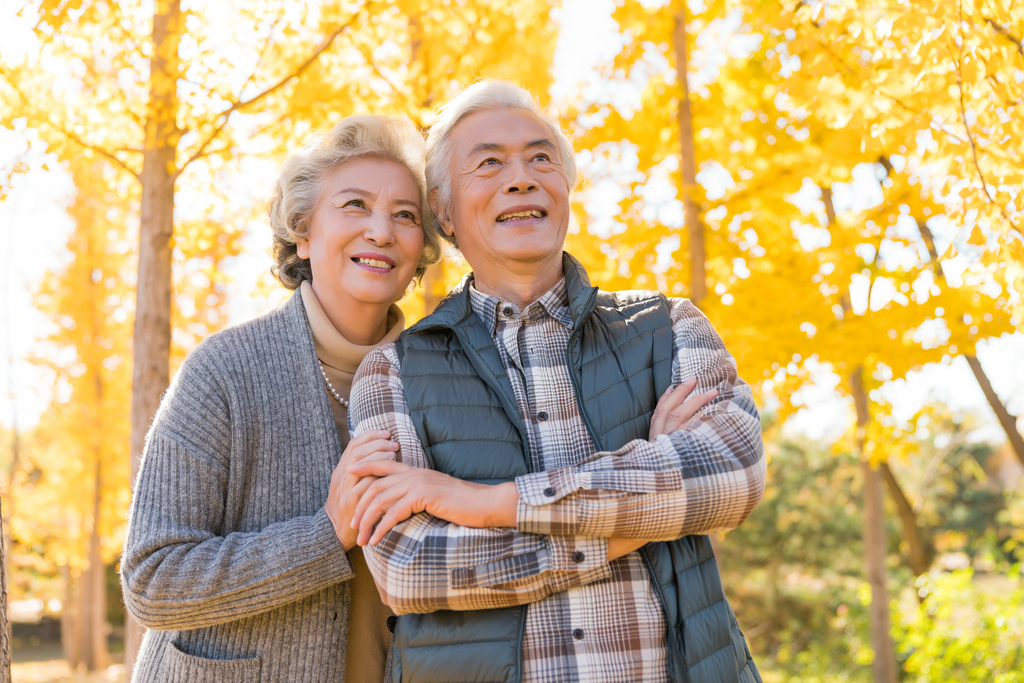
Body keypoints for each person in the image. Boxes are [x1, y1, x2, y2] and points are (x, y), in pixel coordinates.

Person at [347, 81, 767, 683]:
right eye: (488, 163)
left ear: (566, 189)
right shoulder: (392, 370)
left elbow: (733, 472)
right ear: (443, 210)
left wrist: (486, 504)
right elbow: (410, 570)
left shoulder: (669, 327)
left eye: (541, 157)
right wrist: (645, 504)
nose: (521, 177)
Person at [120, 114, 441, 683]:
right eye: (354, 205)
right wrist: (325, 534)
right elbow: (152, 580)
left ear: (422, 248)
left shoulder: (447, 377)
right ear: (302, 232)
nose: (381, 231)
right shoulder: (224, 371)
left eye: (406, 215)